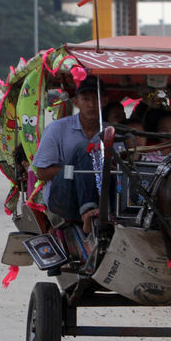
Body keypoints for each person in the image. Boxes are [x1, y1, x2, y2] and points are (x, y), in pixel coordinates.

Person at [33, 76, 104, 231]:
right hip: (63, 194)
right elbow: (41, 172)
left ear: (104, 101)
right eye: (86, 99)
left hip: (103, 193)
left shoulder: (111, 131)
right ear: (76, 102)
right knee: (85, 148)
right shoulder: (56, 130)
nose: (92, 105)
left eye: (96, 99)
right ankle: (87, 212)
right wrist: (78, 171)